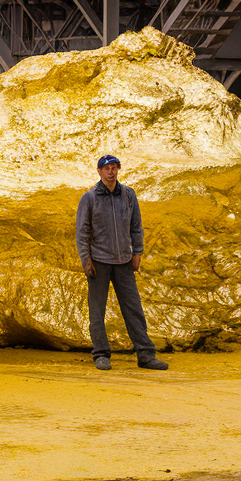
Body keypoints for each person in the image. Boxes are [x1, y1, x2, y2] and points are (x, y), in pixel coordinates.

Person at [75, 155, 168, 371]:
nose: (111, 172)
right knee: (97, 311)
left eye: (114, 168)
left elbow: (136, 226)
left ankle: (145, 354)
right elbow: (82, 232)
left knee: (133, 309)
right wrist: (86, 260)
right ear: (99, 172)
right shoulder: (89, 198)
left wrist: (137, 252)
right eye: (107, 168)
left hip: (124, 262)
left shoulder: (128, 195)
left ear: (118, 170)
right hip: (99, 262)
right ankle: (101, 354)